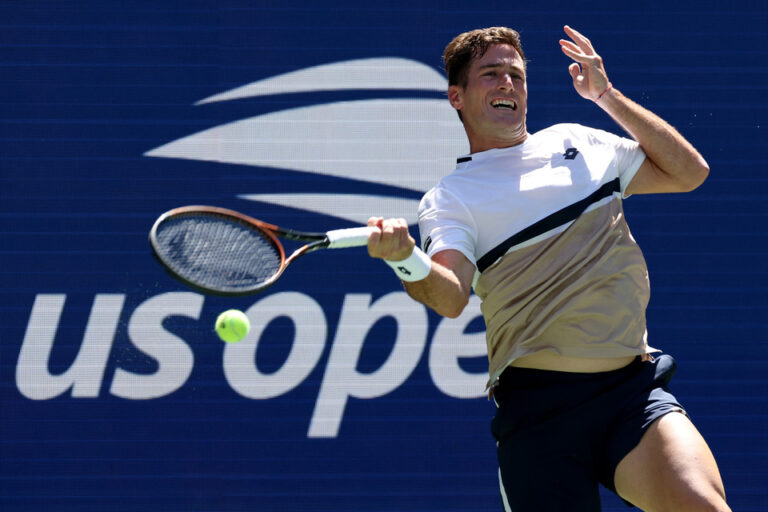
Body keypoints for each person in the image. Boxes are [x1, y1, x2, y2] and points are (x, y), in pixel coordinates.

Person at [367, 26, 730, 511]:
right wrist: (405, 260)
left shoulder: (577, 141)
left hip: (630, 393)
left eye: (516, 74)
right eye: (490, 74)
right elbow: (451, 296)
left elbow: (690, 172)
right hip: (540, 415)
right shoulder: (451, 198)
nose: (507, 84)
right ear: (456, 96)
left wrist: (606, 96)